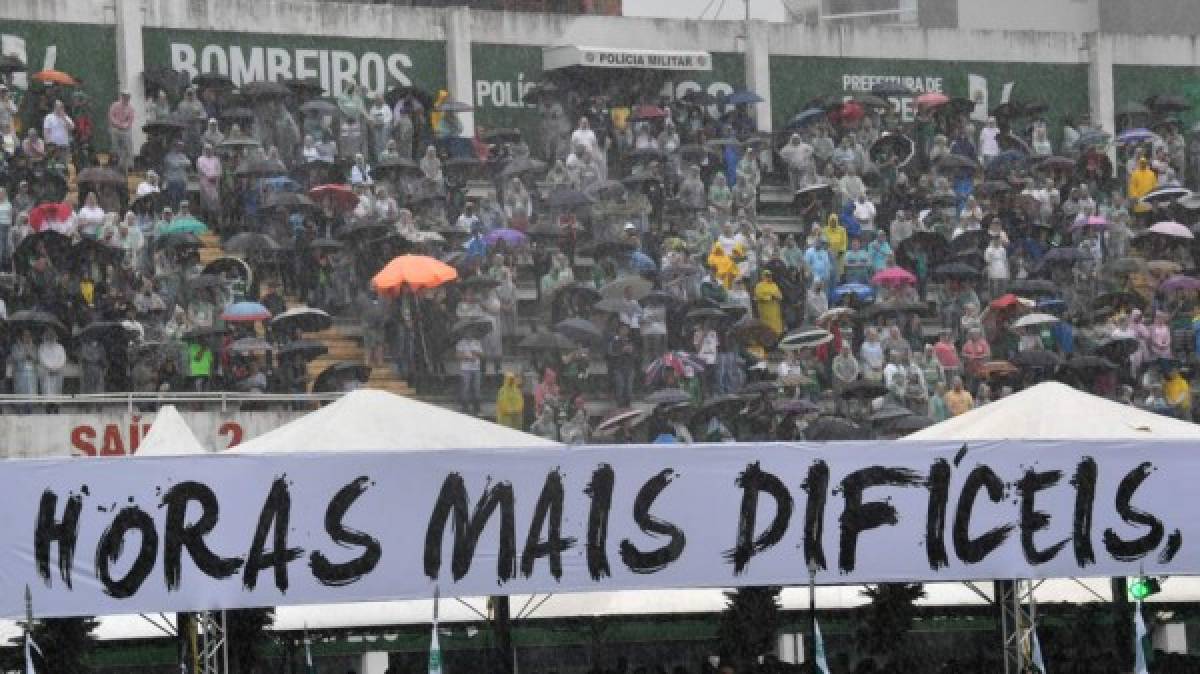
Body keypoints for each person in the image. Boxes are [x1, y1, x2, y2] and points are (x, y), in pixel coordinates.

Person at [456, 331, 483, 416]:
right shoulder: (461, 343)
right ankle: (465, 407)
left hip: (476, 368)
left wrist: (477, 353)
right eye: (467, 333)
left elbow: (482, 354)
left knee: (476, 387)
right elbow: (457, 356)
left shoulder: (477, 342)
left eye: (471, 333)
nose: (469, 334)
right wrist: (466, 357)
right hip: (465, 369)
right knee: (465, 387)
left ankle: (477, 407)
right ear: (464, 333)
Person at [107, 91, 135, 172]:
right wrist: (117, 123)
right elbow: (111, 116)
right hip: (115, 128)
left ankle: (130, 165)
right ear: (122, 97)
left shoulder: (130, 108)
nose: (126, 98)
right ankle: (117, 163)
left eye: (128, 97)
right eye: (125, 97)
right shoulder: (115, 105)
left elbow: (130, 120)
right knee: (115, 147)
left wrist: (125, 125)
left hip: (125, 129)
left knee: (128, 146)